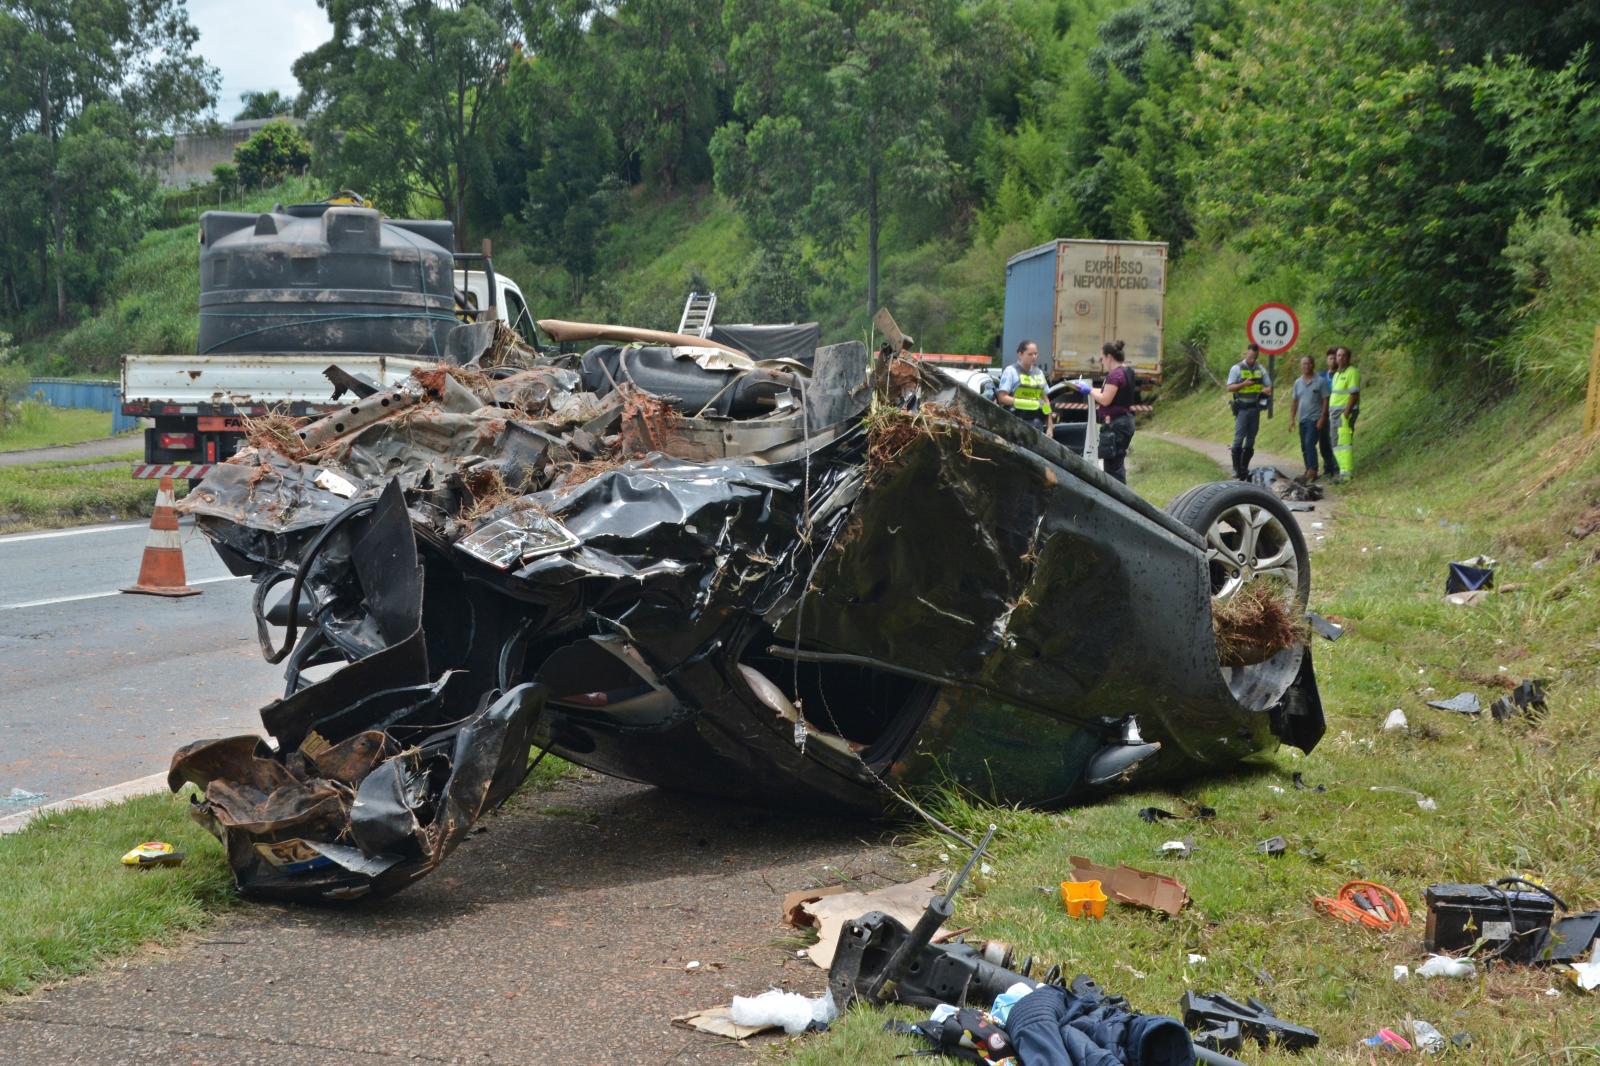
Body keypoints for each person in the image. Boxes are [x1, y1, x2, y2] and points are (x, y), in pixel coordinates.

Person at [1069, 340, 1136, 483]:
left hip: (1116, 425)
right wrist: (1090, 389)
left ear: (1109, 357)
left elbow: (1105, 399)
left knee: (1113, 469)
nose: (1102, 361)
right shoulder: (1127, 371)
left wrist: (1088, 391)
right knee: (1116, 463)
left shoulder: (1114, 375)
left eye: (1102, 357)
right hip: (1126, 422)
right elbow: (1111, 393)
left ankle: (1118, 500)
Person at [1225, 342, 1272, 480]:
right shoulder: (1237, 368)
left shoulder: (1260, 369)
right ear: (1246, 353)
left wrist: (1265, 390)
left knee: (1251, 439)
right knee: (1239, 438)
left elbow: (1269, 387)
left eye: (1255, 357)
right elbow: (1229, 387)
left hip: (1255, 408)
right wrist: (1243, 384)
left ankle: (1244, 467)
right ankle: (1235, 468)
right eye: (1250, 356)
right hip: (1242, 408)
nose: (1252, 359)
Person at [997, 339, 1054, 435]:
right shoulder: (1011, 371)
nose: (1034, 357)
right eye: (1030, 354)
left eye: (1036, 354)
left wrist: (1050, 426)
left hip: (1037, 426)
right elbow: (1002, 398)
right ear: (1020, 354)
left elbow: (1045, 401)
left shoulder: (1039, 373)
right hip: (1016, 424)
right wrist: (1027, 403)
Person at [1289, 354, 1330, 481]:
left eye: (1308, 363)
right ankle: (1308, 469)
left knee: (1309, 443)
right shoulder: (1298, 382)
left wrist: (1323, 417)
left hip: (1315, 418)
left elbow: (1325, 400)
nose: (1306, 366)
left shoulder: (1320, 381)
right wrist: (1291, 419)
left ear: (1313, 365)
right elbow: (1295, 401)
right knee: (1304, 446)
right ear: (1301, 366)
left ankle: (1313, 469)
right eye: (1304, 364)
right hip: (1303, 419)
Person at [1329, 346, 1361, 480]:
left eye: (1343, 355)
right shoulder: (1336, 374)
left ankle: (1346, 475)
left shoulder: (1352, 372)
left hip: (1344, 414)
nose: (1340, 358)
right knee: (1336, 444)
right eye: (1338, 355)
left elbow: (1354, 394)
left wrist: (1346, 414)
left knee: (1344, 444)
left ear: (1348, 358)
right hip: (1334, 414)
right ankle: (1342, 472)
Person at [1317, 348, 1340, 478]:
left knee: (1335, 440)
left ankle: (1336, 467)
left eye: (1335, 358)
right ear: (1327, 360)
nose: (1333, 360)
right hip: (1322, 413)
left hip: (1336, 412)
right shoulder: (1321, 376)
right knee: (1323, 441)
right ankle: (1327, 466)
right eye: (1330, 358)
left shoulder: (1342, 375)